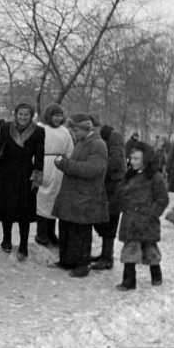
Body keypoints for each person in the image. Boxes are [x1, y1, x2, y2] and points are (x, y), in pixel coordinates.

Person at [52, 114, 108, 277]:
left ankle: (83, 265)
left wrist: (65, 164)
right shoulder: (82, 142)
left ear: (84, 128)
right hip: (74, 195)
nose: (73, 133)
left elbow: (92, 168)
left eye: (75, 129)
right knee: (68, 228)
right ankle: (67, 261)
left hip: (85, 196)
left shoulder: (98, 144)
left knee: (81, 232)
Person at [0, 103, 45, 260]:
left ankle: (23, 244)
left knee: (25, 210)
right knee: (6, 207)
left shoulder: (38, 131)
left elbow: (40, 155)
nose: (23, 117)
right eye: (20, 114)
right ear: (15, 114)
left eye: (26, 115)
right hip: (6, 172)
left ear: (31, 116)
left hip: (25, 173)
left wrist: (36, 178)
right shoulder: (6, 128)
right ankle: (6, 239)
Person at [115, 142, 170, 290]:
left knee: (150, 248)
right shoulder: (129, 175)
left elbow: (163, 199)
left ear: (145, 160)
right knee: (130, 250)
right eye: (131, 158)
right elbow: (121, 193)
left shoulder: (155, 177)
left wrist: (153, 214)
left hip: (146, 220)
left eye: (136, 159)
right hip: (130, 220)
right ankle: (129, 282)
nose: (132, 161)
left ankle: (156, 275)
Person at [90, 116, 126, 270]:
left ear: (98, 126)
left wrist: (97, 167)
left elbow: (116, 162)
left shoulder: (113, 136)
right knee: (102, 221)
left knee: (110, 221)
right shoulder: (97, 138)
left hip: (114, 186)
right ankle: (105, 254)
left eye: (93, 127)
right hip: (104, 185)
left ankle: (107, 257)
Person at [35, 104, 74, 247]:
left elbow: (70, 150)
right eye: (55, 115)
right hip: (40, 164)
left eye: (60, 115)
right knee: (40, 199)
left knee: (54, 199)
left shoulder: (64, 131)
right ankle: (41, 234)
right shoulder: (39, 127)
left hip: (59, 167)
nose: (58, 118)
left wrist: (68, 163)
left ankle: (51, 233)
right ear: (49, 115)